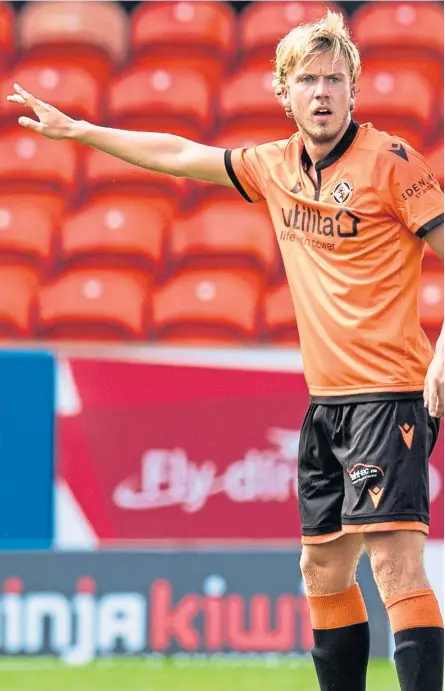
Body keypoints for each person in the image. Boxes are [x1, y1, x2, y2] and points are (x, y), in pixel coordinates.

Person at [7, 10, 444, 691]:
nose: (322, 92)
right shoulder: (273, 165)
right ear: (284, 91)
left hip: (391, 395)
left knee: (393, 566)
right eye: (307, 80)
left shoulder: (391, 165)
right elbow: (181, 154)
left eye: (334, 78)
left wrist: (443, 350)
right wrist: (82, 130)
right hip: (325, 402)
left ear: (353, 89)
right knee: (320, 569)